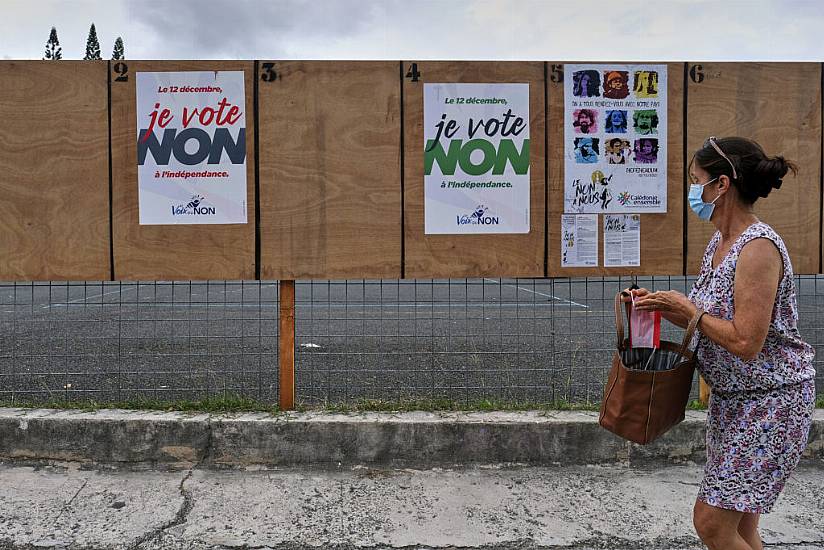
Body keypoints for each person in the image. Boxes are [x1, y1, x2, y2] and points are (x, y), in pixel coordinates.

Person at [628, 136, 816, 550]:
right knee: (741, 528)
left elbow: (747, 340)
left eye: (697, 180)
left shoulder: (757, 249)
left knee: (712, 522)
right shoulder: (720, 243)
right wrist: (657, 305)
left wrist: (689, 310)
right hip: (735, 403)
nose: (693, 190)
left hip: (770, 403)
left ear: (722, 185)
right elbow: (709, 318)